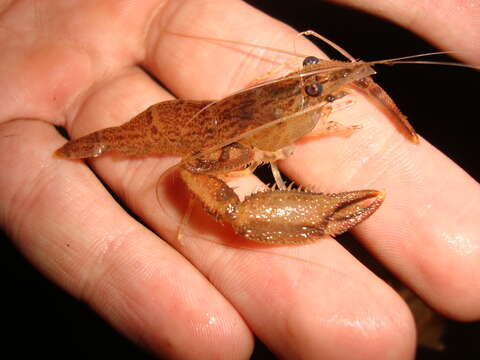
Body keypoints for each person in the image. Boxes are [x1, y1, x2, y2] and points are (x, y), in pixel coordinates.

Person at [0, 1, 478, 359]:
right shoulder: (247, 141)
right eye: (314, 81)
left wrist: (330, 98)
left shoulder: (288, 96)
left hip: (201, 117)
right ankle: (93, 146)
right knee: (220, 193)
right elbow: (201, 172)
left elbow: (314, 99)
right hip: (172, 129)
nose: (321, 83)